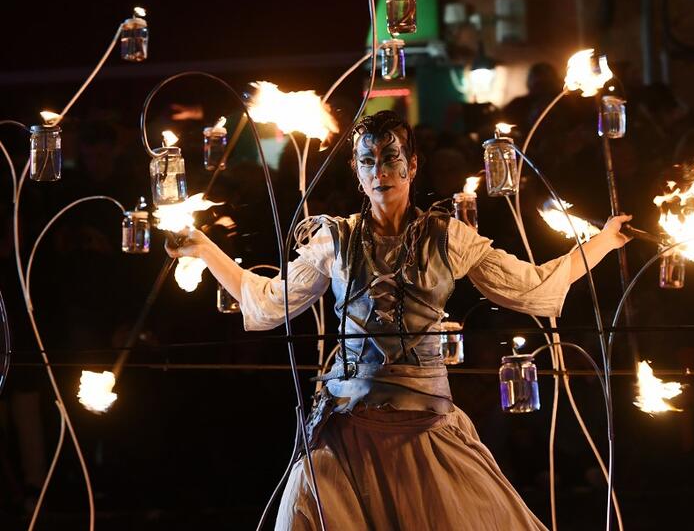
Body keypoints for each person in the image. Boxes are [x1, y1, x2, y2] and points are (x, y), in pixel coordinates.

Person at [166, 110, 632, 530]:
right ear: (358, 172)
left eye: (391, 159)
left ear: (411, 167)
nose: (380, 171)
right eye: (368, 161)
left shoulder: (448, 237)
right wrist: (205, 250)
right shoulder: (334, 239)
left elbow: (532, 287)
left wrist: (605, 242)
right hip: (346, 432)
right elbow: (269, 303)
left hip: (424, 431)